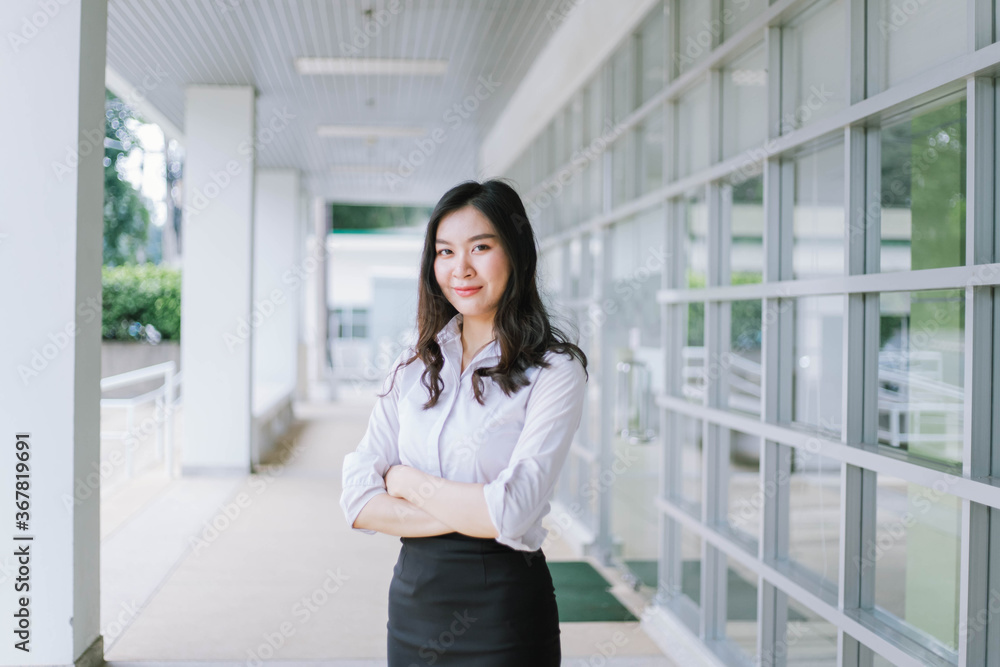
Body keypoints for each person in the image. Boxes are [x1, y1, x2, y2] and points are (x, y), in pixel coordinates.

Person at [339, 178, 589, 666]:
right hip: (414, 610)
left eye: (480, 247)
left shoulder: (555, 371)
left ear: (516, 253)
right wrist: (475, 512)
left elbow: (512, 513)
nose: (462, 268)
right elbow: (357, 500)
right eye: (445, 251)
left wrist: (405, 481)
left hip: (504, 616)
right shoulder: (412, 366)